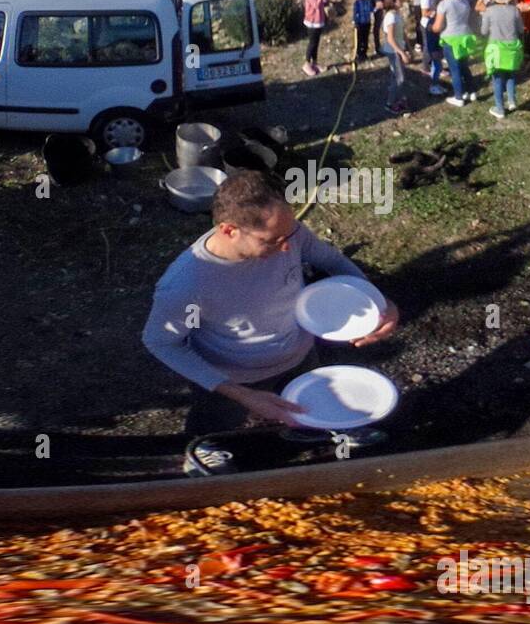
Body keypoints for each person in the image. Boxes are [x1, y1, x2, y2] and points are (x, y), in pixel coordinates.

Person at [144, 169, 397, 475]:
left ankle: (315, 428)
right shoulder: (187, 285)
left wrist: (379, 303)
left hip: (297, 352)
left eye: (289, 234)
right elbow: (161, 342)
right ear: (228, 230)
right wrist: (243, 394)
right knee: (215, 425)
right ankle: (203, 450)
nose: (287, 247)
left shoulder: (288, 234)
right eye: (273, 240)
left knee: (314, 400)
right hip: (233, 374)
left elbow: (331, 261)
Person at [481, 0, 528, 119]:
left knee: (497, 78)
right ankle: (512, 100)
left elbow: (483, 31)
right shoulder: (514, 10)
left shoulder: (489, 11)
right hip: (512, 46)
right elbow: (520, 29)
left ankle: (499, 108)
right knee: (510, 75)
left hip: (496, 47)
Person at [436, 0, 477, 106]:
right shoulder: (465, 2)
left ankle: (458, 97)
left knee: (454, 69)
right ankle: (471, 91)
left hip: (451, 38)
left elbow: (438, 26)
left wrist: (431, 28)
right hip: (465, 36)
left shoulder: (444, 4)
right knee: (464, 66)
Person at [375, 0, 414, 115]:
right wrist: (402, 53)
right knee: (399, 78)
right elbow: (390, 39)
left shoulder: (397, 14)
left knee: (397, 76)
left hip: (399, 48)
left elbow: (403, 33)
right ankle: (390, 103)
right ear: (392, 2)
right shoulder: (390, 17)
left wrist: (409, 48)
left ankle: (400, 99)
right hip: (393, 51)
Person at [299, 0, 329, 76]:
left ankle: (315, 63)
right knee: (312, 43)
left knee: (316, 43)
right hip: (311, 22)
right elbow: (316, 5)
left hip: (319, 21)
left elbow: (321, 3)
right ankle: (307, 63)